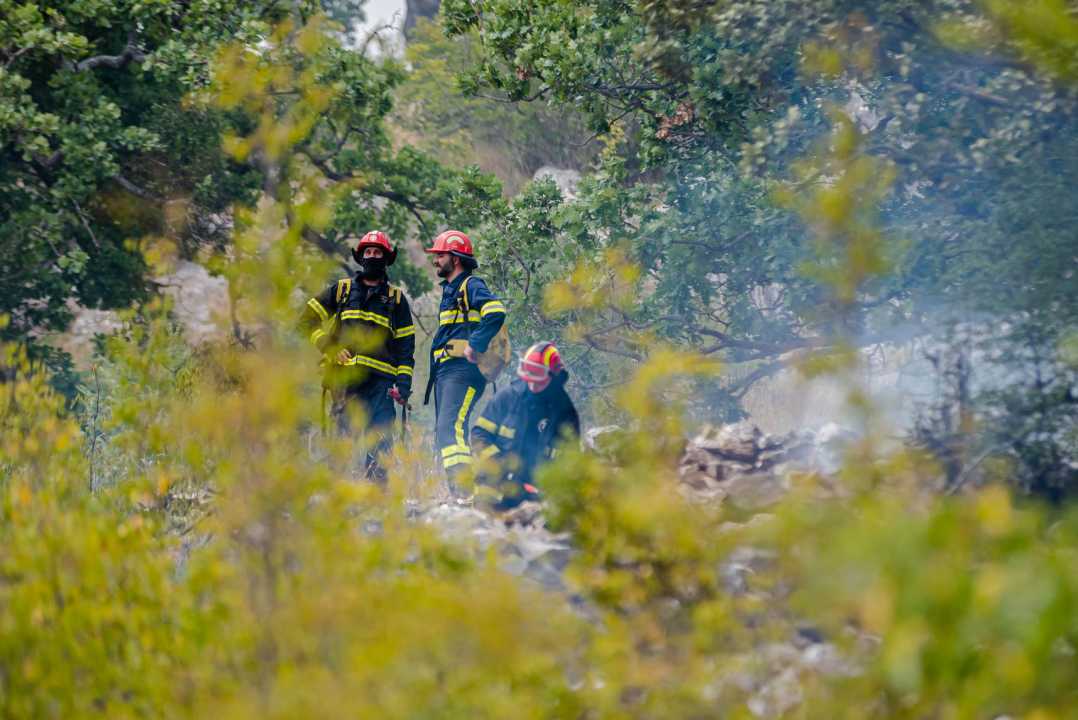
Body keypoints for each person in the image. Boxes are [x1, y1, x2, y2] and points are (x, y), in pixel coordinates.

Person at [298, 231, 416, 483]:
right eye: (367, 252)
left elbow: (406, 347)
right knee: (342, 437)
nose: (372, 256)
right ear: (360, 257)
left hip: (382, 384)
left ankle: (377, 496)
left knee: (381, 439)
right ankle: (335, 495)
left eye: (377, 253)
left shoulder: (396, 299)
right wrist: (329, 347)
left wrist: (403, 384)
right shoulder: (340, 290)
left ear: (386, 259)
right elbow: (307, 320)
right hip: (345, 377)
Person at [422, 230, 506, 491]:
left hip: (464, 370)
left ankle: (464, 491)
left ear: (455, 258)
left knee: (450, 426)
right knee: (443, 431)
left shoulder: (471, 284)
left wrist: (475, 344)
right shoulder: (451, 291)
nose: (436, 260)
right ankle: (459, 490)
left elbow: (496, 311)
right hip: (447, 372)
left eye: (440, 255)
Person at [471, 342, 580, 510]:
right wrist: (498, 461)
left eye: (540, 382)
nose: (533, 386)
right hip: (498, 485)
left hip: (537, 493)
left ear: (554, 378)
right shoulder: (507, 397)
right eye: (530, 380)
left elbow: (570, 462)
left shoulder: (564, 413)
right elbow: (479, 433)